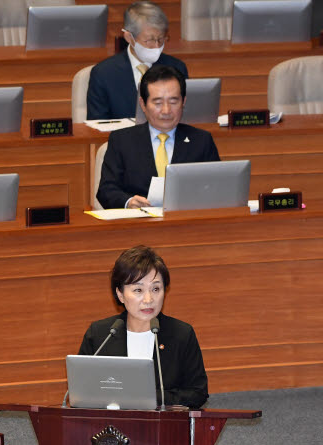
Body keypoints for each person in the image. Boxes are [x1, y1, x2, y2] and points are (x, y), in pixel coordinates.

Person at [78, 245, 209, 409]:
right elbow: (81, 392)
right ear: (120, 294)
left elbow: (197, 393)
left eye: (155, 289)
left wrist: (149, 396)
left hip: (163, 428)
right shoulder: (100, 334)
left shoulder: (181, 334)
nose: (148, 299)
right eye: (138, 290)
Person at [96, 65, 220, 209]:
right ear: (143, 104)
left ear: (183, 102)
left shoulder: (201, 140)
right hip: (138, 223)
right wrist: (128, 202)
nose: (166, 110)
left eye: (173, 102)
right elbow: (106, 190)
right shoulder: (122, 141)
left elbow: (216, 187)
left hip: (186, 222)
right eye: (158, 103)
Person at [86, 1, 188, 120]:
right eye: (149, 40)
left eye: (161, 39)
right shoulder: (103, 73)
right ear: (129, 37)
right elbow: (96, 124)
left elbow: (185, 115)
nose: (156, 46)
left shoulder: (176, 68)